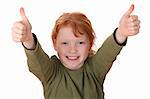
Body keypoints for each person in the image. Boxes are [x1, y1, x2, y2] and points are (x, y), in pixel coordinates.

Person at [11, 4, 140, 99]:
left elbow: (108, 52)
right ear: (55, 43)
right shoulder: (51, 73)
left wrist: (122, 32)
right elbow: (37, 60)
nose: (72, 50)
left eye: (80, 42)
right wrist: (28, 39)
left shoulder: (94, 70)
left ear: (90, 44)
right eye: (65, 43)